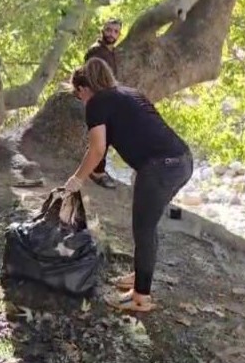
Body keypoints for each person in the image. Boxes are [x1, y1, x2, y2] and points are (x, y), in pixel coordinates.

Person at [64, 58, 192, 312]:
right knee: (148, 226)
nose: (82, 102)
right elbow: (110, 142)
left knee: (143, 229)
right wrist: (92, 175)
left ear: (83, 89)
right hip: (183, 162)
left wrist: (76, 180)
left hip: (160, 168)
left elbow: (97, 148)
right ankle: (140, 274)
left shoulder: (97, 103)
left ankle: (140, 297)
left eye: (79, 97)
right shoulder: (128, 94)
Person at [83, 18, 123, 189]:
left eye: (115, 31)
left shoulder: (111, 52)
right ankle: (96, 171)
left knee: (107, 136)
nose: (111, 34)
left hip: (109, 98)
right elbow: (89, 75)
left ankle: (97, 168)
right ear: (102, 30)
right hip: (99, 98)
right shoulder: (95, 51)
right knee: (102, 137)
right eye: (109, 30)